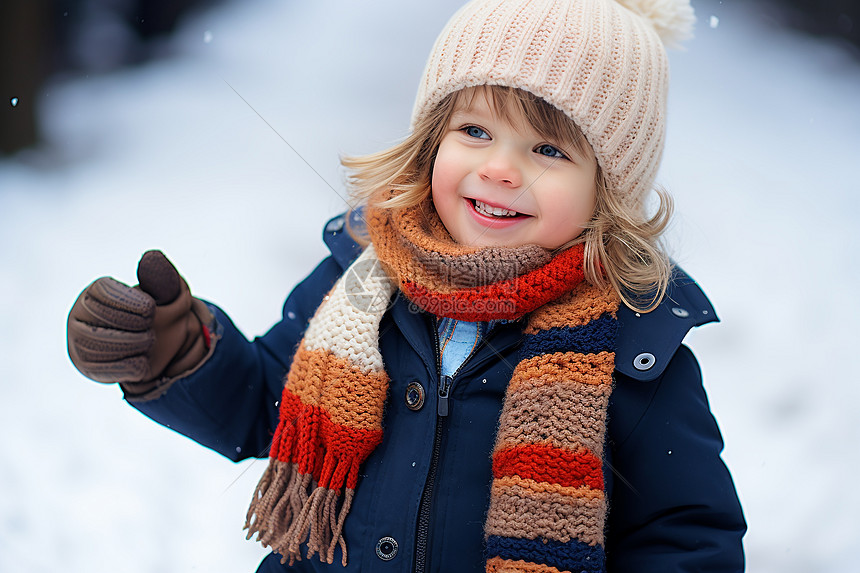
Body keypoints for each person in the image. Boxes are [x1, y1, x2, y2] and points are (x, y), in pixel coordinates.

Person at [66, 0, 747, 571]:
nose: (501, 169)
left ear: (609, 190)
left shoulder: (637, 352)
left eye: (548, 149)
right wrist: (182, 354)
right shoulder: (359, 282)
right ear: (431, 144)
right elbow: (267, 405)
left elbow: (685, 537)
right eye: (474, 130)